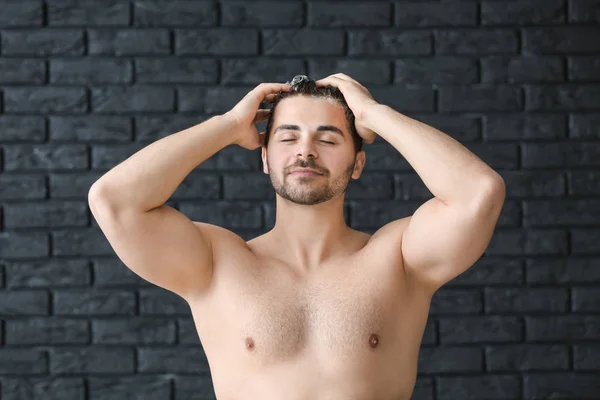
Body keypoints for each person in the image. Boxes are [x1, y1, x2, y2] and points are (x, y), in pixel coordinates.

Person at [88, 73, 505, 399]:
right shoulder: (216, 263)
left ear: (357, 164)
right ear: (265, 158)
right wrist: (229, 125)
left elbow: (478, 193)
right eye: (288, 137)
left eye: (328, 138)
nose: (306, 151)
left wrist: (374, 114)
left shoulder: (397, 258)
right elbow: (114, 201)